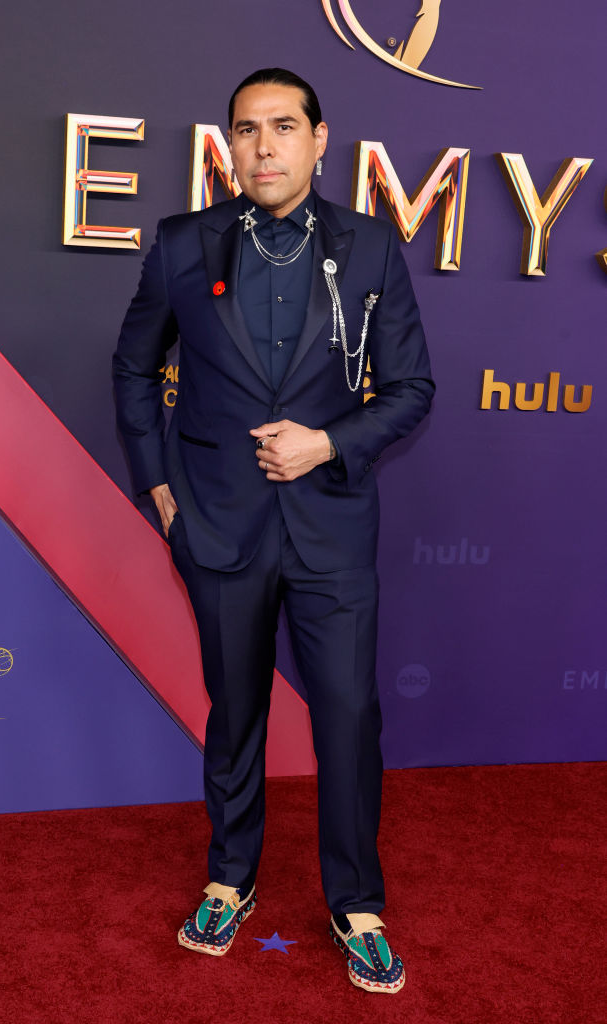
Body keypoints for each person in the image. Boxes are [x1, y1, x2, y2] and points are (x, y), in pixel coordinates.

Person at [113, 67, 434, 994]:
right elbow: (135, 369)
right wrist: (159, 489)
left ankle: (357, 902)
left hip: (331, 526)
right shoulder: (182, 244)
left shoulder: (371, 250)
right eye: (247, 129)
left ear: (319, 140)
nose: (264, 146)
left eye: (284, 127)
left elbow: (413, 389)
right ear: (231, 144)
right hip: (216, 525)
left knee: (347, 716)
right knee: (236, 715)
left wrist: (326, 439)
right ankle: (230, 876)